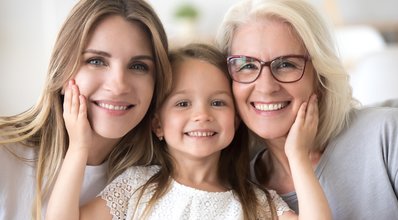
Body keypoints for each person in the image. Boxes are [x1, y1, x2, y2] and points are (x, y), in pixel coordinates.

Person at [46, 43, 331, 220]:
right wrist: (78, 147)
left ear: (237, 119)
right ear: (157, 123)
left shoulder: (258, 204)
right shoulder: (135, 187)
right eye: (182, 103)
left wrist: (298, 156)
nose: (202, 115)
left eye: (218, 102)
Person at [216, 0, 398, 219]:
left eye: (286, 64)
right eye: (247, 65)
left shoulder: (387, 136)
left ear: (321, 76)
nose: (266, 87)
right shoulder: (239, 191)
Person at [0, 0, 171, 219]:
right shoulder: (5, 150)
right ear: (62, 71)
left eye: (138, 66)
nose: (118, 85)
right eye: (97, 61)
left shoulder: (155, 180)